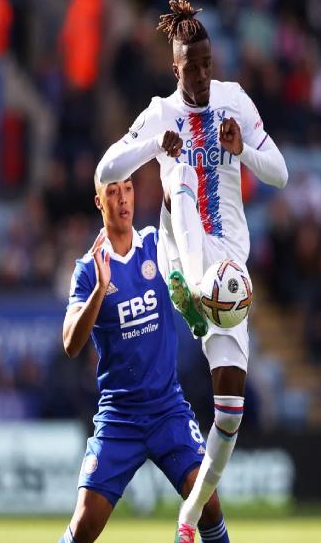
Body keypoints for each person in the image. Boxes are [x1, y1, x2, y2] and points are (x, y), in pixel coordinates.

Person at [96, 0, 289, 541]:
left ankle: (189, 516)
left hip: (231, 267)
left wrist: (242, 150)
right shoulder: (161, 113)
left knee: (228, 420)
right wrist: (158, 145)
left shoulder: (234, 102)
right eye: (191, 67)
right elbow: (104, 169)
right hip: (181, 253)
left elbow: (281, 173)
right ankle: (191, 288)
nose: (202, 76)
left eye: (208, 64)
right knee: (178, 175)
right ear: (174, 67)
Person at [59, 175, 229, 543]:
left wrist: (175, 166)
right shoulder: (88, 269)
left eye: (128, 189)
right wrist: (101, 290)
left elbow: (178, 204)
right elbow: (71, 343)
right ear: (99, 202)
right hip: (120, 417)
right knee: (86, 524)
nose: (123, 199)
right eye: (113, 192)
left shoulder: (156, 244)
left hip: (167, 409)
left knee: (209, 503)